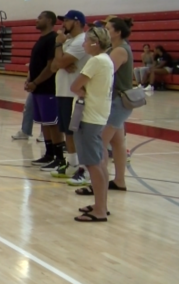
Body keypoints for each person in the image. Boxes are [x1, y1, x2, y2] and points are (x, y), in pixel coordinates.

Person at [73, 17, 136, 189]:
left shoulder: (119, 51)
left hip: (116, 101)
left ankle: (97, 183)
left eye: (108, 28)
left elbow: (104, 75)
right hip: (118, 100)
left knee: (100, 142)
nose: (105, 30)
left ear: (117, 32)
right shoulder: (117, 49)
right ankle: (119, 180)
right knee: (117, 143)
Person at [69, 26, 114, 222]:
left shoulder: (95, 61)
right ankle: (100, 204)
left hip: (89, 116)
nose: (84, 44)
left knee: (93, 163)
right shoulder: (106, 60)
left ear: (95, 43)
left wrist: (79, 91)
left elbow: (75, 85)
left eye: (87, 41)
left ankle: (100, 210)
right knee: (99, 162)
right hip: (99, 114)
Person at [49, 10, 89, 179]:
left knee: (77, 132)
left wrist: (59, 47)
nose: (62, 24)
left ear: (77, 22)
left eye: (66, 20)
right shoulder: (69, 41)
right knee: (67, 131)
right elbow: (53, 66)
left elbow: (60, 61)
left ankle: (84, 167)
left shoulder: (81, 41)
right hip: (63, 91)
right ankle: (72, 164)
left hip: (73, 93)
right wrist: (62, 62)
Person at [27, 11, 63, 170]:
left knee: (52, 124)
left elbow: (50, 67)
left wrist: (35, 82)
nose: (37, 19)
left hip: (48, 88)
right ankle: (49, 154)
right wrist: (29, 80)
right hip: (38, 89)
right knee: (44, 124)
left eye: (40, 17)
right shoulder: (41, 39)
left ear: (49, 20)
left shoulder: (52, 39)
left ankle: (59, 157)